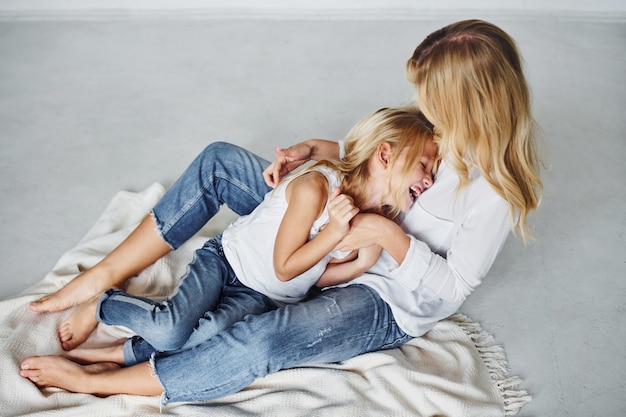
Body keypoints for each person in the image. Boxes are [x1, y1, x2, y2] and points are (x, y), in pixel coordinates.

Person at [20, 19, 542, 403]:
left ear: (466, 103)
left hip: (378, 289)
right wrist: (317, 151)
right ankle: (108, 274)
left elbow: (451, 288)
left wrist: (381, 235)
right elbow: (385, 147)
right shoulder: (439, 130)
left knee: (262, 338)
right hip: (339, 217)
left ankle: (99, 379)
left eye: (429, 98)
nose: (420, 104)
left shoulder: (495, 193)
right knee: (222, 162)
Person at [57, 106, 437, 366]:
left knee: (212, 334)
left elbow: (313, 277)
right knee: (171, 330)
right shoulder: (318, 190)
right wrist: (335, 233)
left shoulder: (369, 221)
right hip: (229, 262)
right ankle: (104, 303)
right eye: (424, 165)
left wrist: (363, 262)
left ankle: (123, 353)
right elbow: (285, 266)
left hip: (265, 296)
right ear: (385, 156)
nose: (430, 179)